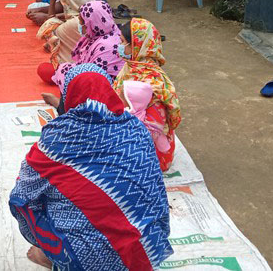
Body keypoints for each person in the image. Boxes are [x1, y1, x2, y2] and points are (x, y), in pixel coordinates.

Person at [10, 67, 173, 270]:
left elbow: (22, 195)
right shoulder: (136, 128)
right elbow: (156, 189)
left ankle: (53, 254)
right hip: (143, 248)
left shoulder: (56, 140)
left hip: (85, 257)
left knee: (29, 198)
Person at [113, 18, 181, 171]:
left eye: (123, 42)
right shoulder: (130, 67)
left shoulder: (153, 83)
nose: (119, 46)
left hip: (150, 149)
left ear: (137, 45)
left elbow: (152, 128)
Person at [36, 0, 94, 84]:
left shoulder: (74, 24)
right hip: (101, 64)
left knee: (44, 70)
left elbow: (49, 30)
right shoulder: (99, 10)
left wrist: (52, 1)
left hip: (84, 70)